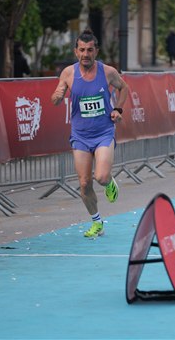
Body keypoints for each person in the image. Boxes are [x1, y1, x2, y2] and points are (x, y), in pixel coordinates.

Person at [51, 29, 129, 238]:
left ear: (96, 51)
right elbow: (56, 96)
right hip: (80, 135)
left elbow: (124, 88)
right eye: (82, 50)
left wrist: (118, 109)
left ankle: (110, 182)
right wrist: (57, 96)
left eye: (90, 50)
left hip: (103, 132)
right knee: (85, 184)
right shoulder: (68, 73)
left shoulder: (108, 72)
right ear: (76, 51)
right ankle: (97, 222)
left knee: (101, 177)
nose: (86, 54)